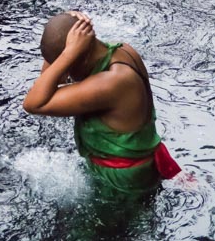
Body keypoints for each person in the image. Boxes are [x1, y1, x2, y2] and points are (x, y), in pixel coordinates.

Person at [23, 12, 181, 196]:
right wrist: (66, 34)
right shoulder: (122, 50)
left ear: (78, 55)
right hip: (133, 168)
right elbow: (48, 84)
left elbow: (33, 104)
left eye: (68, 67)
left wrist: (67, 54)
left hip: (121, 183)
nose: (66, 75)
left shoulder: (111, 82)